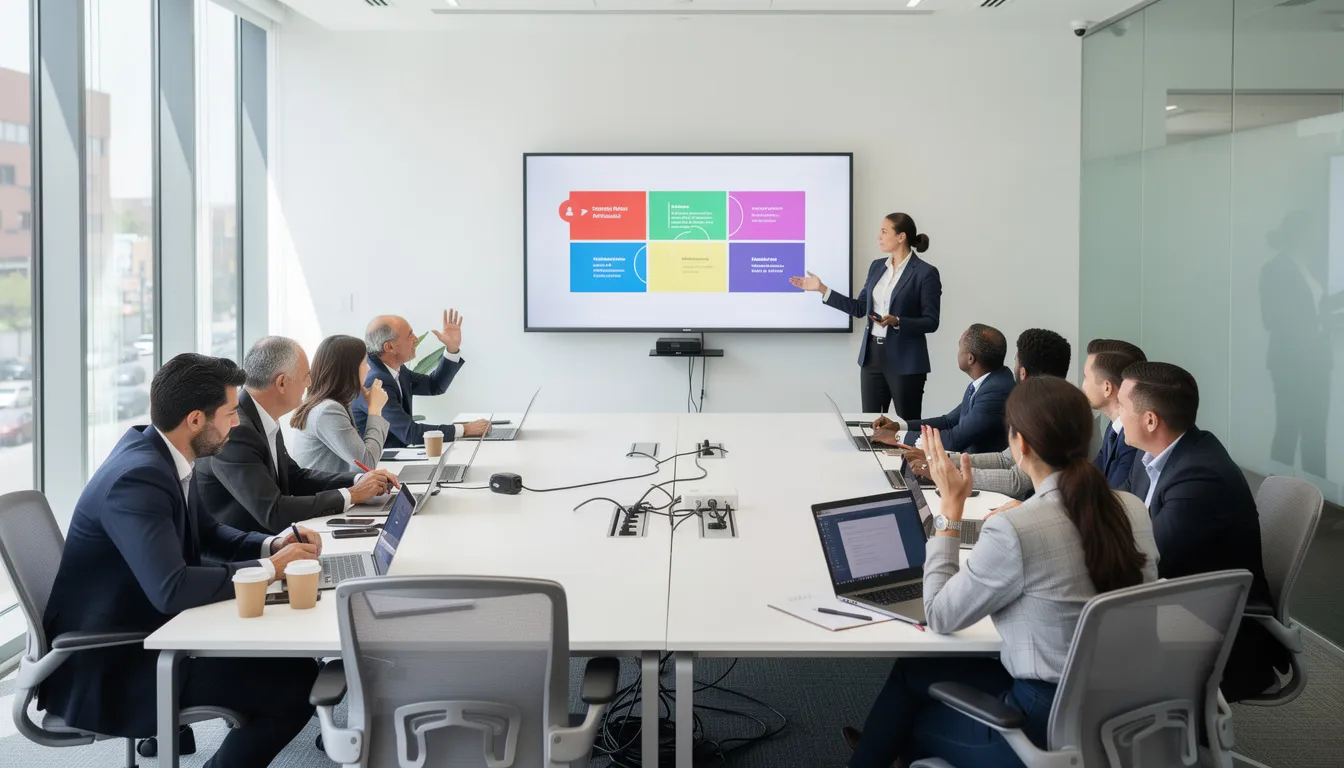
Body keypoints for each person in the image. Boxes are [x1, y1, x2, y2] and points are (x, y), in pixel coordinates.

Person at [845, 377, 1159, 768]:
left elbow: (940, 614)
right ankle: (883, 745)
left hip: (1041, 726)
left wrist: (951, 514)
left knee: (912, 707)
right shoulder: (1131, 508)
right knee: (916, 672)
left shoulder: (1015, 528)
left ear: (1020, 444)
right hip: (1125, 710)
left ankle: (884, 748)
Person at [40, 354, 324, 767]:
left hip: (155, 631)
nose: (237, 423)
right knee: (294, 688)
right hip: (117, 662)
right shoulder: (138, 478)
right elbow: (171, 588)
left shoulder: (162, 456)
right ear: (196, 420)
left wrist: (272, 546)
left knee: (291, 666)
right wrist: (270, 571)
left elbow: (208, 535)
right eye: (229, 414)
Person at [1116, 361, 1290, 702]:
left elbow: (1144, 562)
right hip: (1178, 605)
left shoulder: (1200, 477)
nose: (1118, 416)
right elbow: (1117, 513)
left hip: (1217, 634)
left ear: (1150, 420)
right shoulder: (1152, 456)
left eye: (1122, 407)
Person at [197, 336, 400, 535]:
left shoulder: (261, 417)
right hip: (245, 552)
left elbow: (296, 476)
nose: (309, 382)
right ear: (282, 383)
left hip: (273, 538)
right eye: (306, 376)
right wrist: (351, 494)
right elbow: (273, 511)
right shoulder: (238, 430)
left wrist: (360, 479)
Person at [789, 213, 942, 418]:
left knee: (907, 425)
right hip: (872, 358)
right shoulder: (877, 267)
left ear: (901, 236)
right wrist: (822, 289)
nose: (878, 236)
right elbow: (860, 308)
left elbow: (931, 321)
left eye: (884, 231)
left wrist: (898, 322)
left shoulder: (925, 273)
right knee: (871, 424)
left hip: (906, 360)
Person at [897, 328, 1070, 500]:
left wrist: (946, 472)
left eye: (1016, 361)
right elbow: (1005, 459)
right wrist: (942, 461)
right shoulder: (1051, 405)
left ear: (1023, 373)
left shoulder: (1046, 415)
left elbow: (1016, 481)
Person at [352, 310, 490, 448]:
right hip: (379, 464)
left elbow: (434, 385)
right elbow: (410, 433)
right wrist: (464, 429)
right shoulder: (375, 381)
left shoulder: (393, 368)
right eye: (409, 335)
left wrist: (452, 348)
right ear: (389, 347)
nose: (416, 339)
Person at [870, 324, 1014, 454]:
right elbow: (949, 421)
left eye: (960, 346)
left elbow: (955, 440)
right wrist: (900, 426)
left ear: (970, 359)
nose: (957, 351)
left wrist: (897, 437)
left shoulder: (996, 391)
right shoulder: (989, 381)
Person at [287, 334, 393, 474]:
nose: (368, 369)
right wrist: (375, 410)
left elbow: (357, 463)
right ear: (350, 370)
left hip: (336, 491)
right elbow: (366, 464)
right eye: (364, 363)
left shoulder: (334, 403)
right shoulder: (328, 410)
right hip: (327, 494)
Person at [1081, 339, 1146, 490]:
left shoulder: (1133, 442)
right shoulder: (1115, 426)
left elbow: (1113, 499)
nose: (1082, 385)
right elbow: (1090, 477)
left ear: (1107, 388)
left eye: (1085, 377)